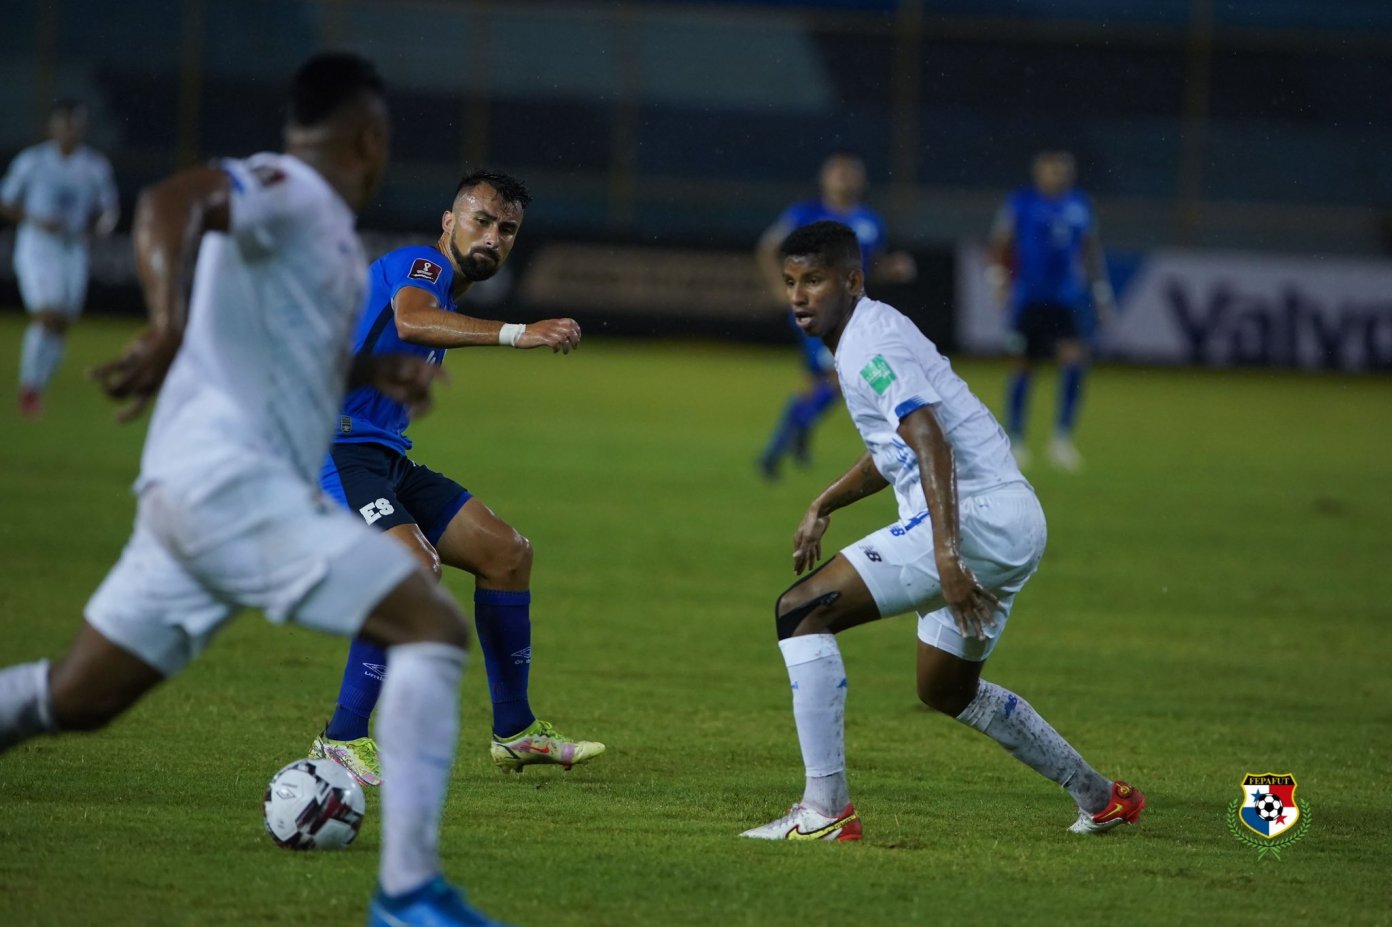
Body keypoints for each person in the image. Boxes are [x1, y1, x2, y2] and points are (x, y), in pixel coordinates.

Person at [0, 54, 512, 927]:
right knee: (425, 615)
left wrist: (373, 372)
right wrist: (165, 322)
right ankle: (408, 893)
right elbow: (171, 203)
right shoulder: (293, 190)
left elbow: (285, 357)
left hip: (193, 497)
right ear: (370, 137)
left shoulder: (323, 240)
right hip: (230, 488)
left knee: (77, 695)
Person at [740, 221, 1143, 842]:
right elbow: (895, 450)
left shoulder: (868, 344)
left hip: (973, 519)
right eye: (792, 282)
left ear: (853, 281)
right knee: (946, 689)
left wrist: (948, 556)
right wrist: (825, 501)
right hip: (1011, 519)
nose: (798, 296)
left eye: (814, 280)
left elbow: (930, 441)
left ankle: (825, 811)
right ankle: (1100, 796)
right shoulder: (868, 334)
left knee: (800, 612)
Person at [309, 169, 603, 787]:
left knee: (506, 553)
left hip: (381, 456)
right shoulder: (421, 267)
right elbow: (412, 322)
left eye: (508, 230)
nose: (493, 237)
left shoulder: (446, 292)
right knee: (414, 567)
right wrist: (519, 333)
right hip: (332, 448)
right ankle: (341, 738)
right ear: (449, 222)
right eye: (482, 220)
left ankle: (516, 732)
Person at [754, 150, 916, 480]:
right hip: (815, 309)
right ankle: (779, 447)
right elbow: (768, 247)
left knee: (818, 385)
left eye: (850, 172)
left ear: (861, 180)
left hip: (850, 315)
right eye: (837, 171)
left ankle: (789, 442)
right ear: (824, 178)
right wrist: (780, 288)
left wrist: (892, 268)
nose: (844, 177)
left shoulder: (870, 221)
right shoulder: (805, 214)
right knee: (838, 380)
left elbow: (870, 268)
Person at [984, 150, 1114, 471]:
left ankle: (1062, 438)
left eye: (1062, 170)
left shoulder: (1079, 204)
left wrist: (1100, 291)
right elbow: (1000, 242)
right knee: (1022, 366)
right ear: (1039, 173)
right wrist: (999, 279)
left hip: (1066, 299)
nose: (1057, 175)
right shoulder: (1021, 202)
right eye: (1051, 170)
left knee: (1074, 362)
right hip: (1029, 298)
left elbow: (1090, 249)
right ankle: (1015, 439)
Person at [0, 99, 119, 419]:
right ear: (52, 127)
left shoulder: (94, 166)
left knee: (63, 324)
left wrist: (100, 227)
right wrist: (35, 219)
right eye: (65, 123)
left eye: (76, 124)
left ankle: (37, 388)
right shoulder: (33, 162)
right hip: (38, 247)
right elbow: (6, 201)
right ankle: (28, 387)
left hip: (73, 249)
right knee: (47, 314)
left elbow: (108, 210)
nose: (70, 130)